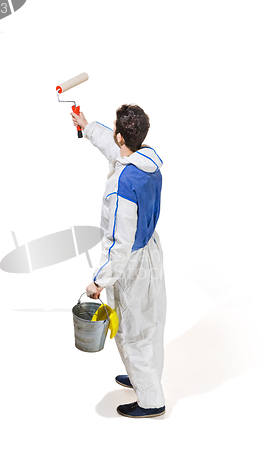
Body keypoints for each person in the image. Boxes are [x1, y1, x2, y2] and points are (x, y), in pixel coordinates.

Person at [71, 104, 167, 418]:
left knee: (133, 329)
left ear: (121, 136)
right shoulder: (147, 160)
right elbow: (116, 150)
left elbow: (118, 243)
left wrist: (99, 281)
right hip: (150, 250)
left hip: (132, 264)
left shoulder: (122, 186)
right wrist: (86, 127)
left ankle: (151, 399)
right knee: (150, 324)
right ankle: (146, 375)